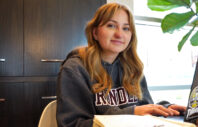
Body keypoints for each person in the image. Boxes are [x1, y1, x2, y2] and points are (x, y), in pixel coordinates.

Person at [56, 2, 186, 127]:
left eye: (126, 28)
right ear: (95, 33)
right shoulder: (75, 69)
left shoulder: (133, 68)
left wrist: (165, 109)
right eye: (111, 26)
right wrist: (132, 113)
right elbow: (73, 124)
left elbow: (145, 109)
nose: (119, 34)